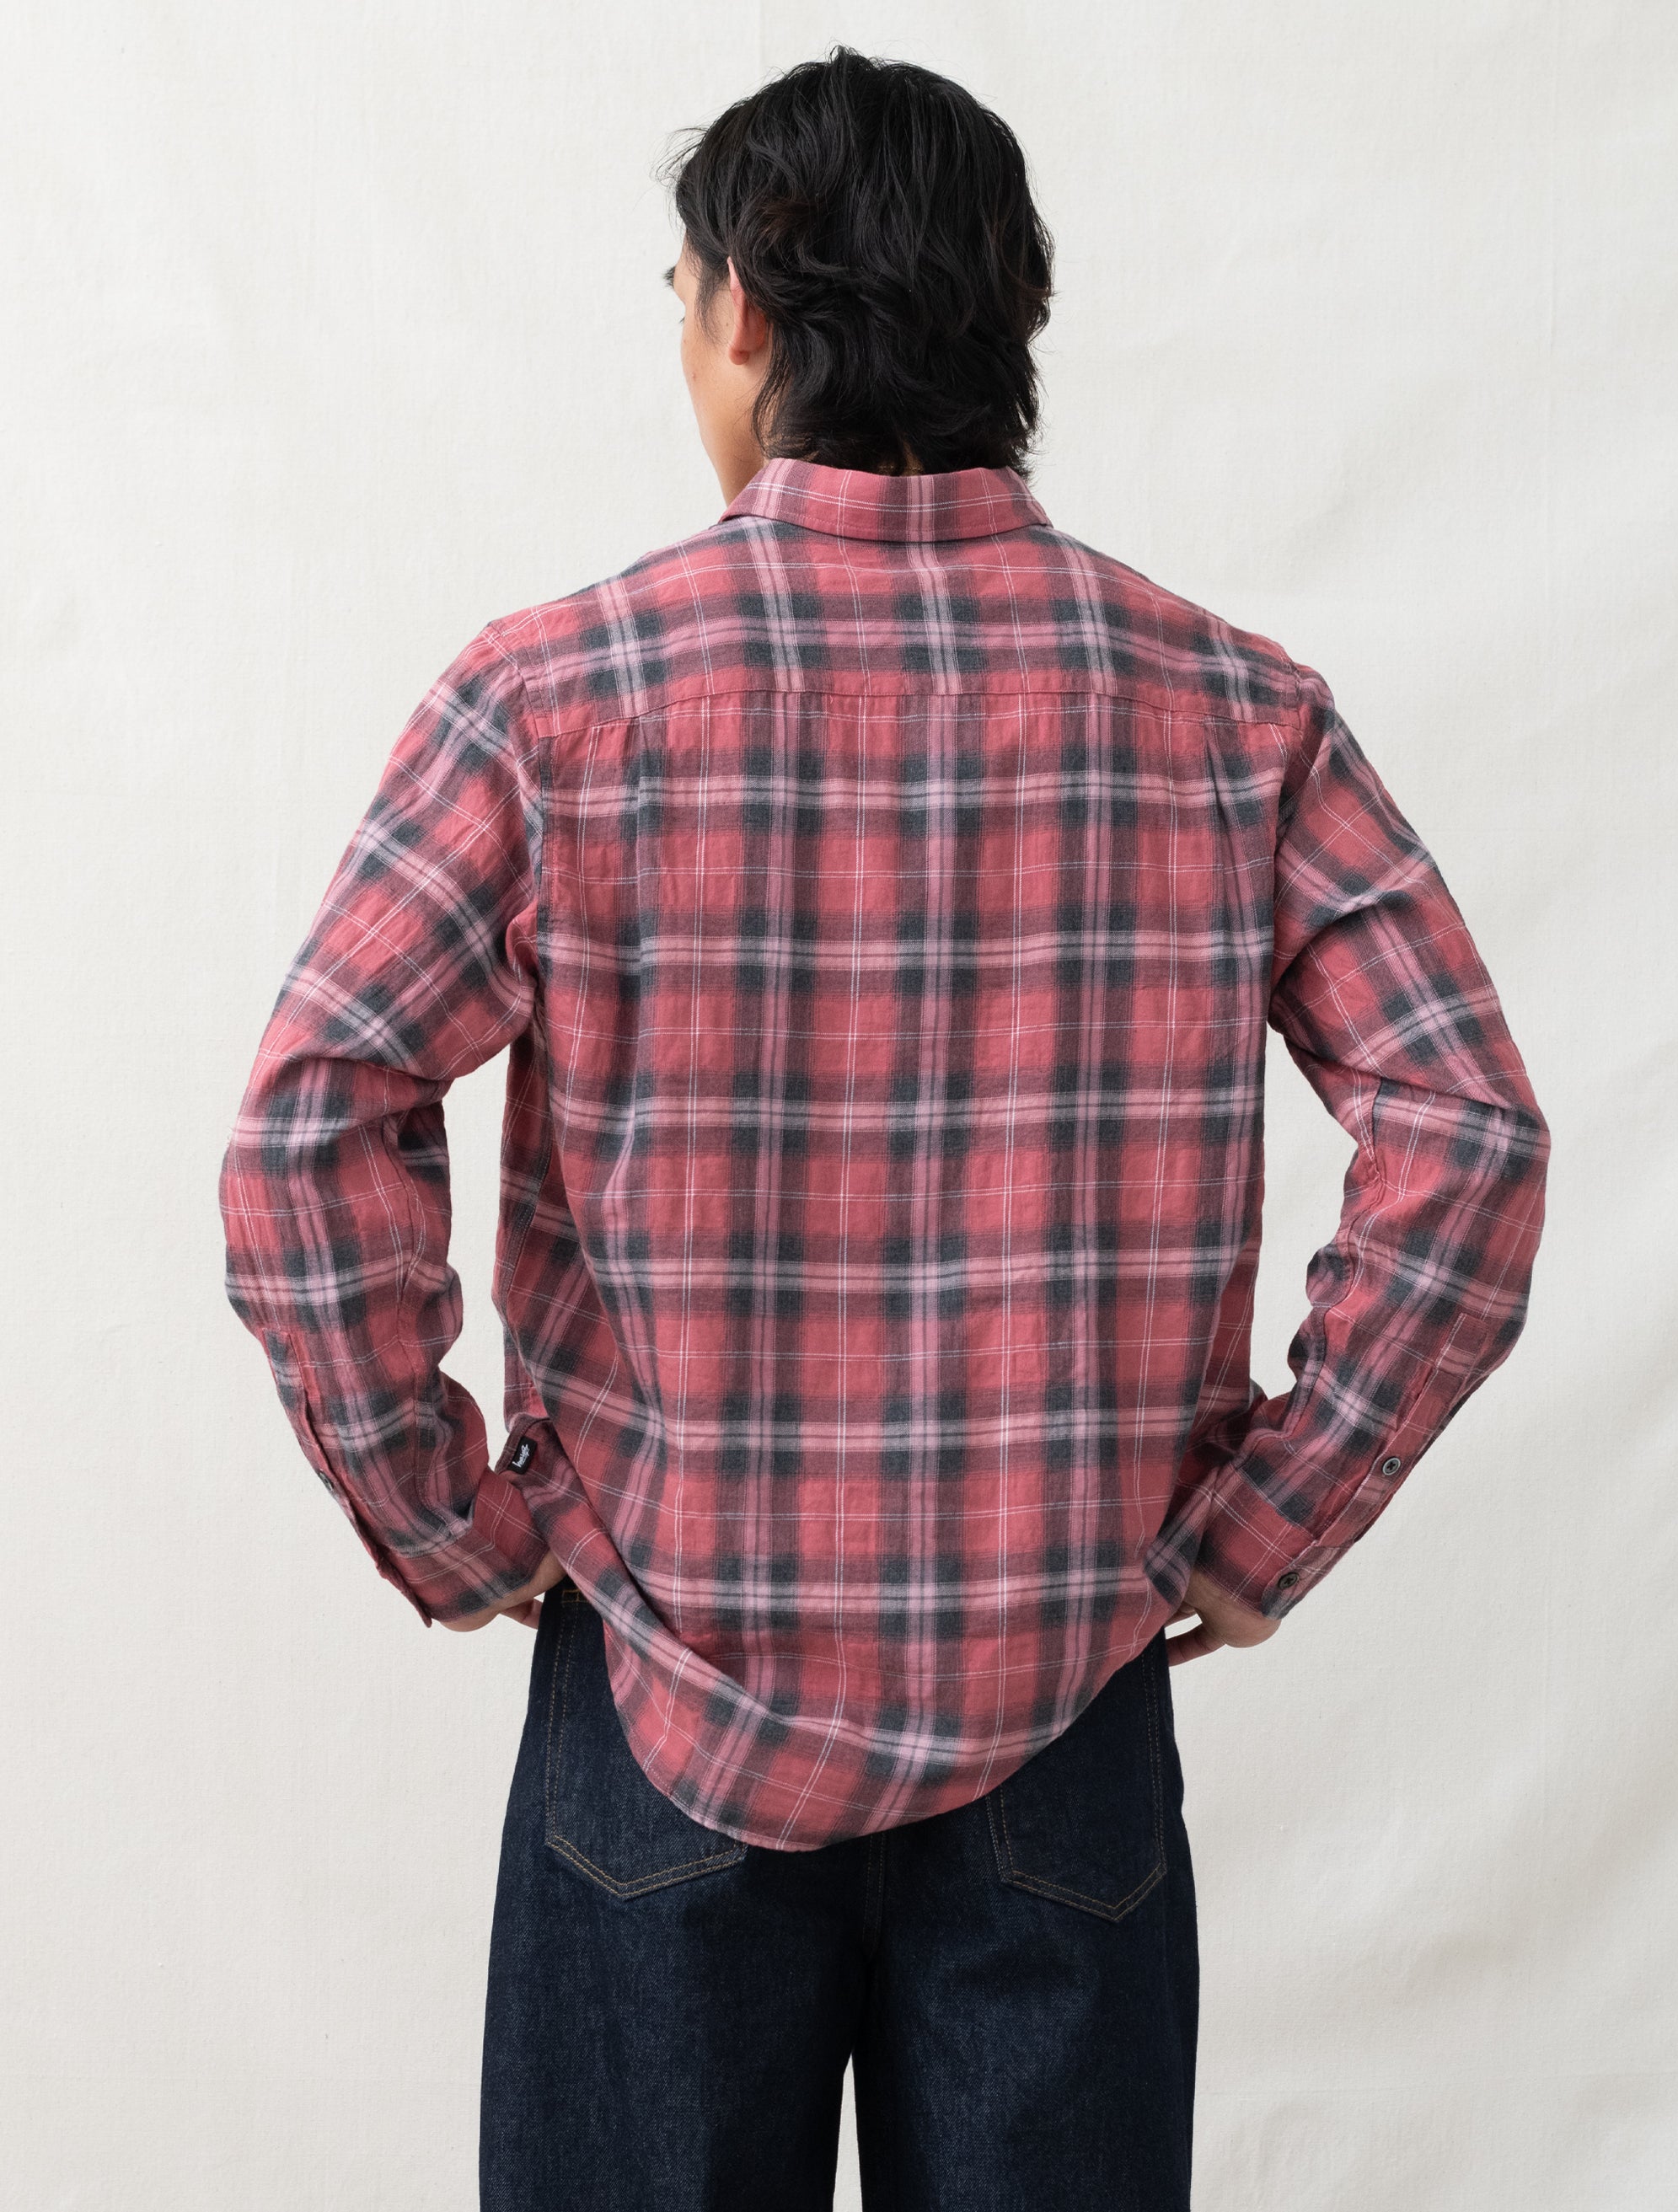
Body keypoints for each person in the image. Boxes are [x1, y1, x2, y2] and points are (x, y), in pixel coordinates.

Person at [218, 46, 1551, 2212]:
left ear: (746, 309)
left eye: (681, 298)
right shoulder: (1232, 713)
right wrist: (1260, 1527)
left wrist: (452, 1519)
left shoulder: (554, 700)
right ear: (1011, 323)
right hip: (1064, 1711)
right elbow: (1466, 1137)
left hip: (660, 1694)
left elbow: (310, 1128)